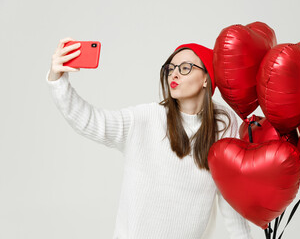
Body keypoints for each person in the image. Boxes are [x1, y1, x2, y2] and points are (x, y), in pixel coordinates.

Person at [46, 37, 253, 239]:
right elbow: (91, 121)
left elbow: (230, 197)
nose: (175, 74)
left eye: (185, 68)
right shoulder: (147, 118)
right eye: (171, 68)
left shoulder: (223, 126)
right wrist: (58, 80)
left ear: (206, 78)